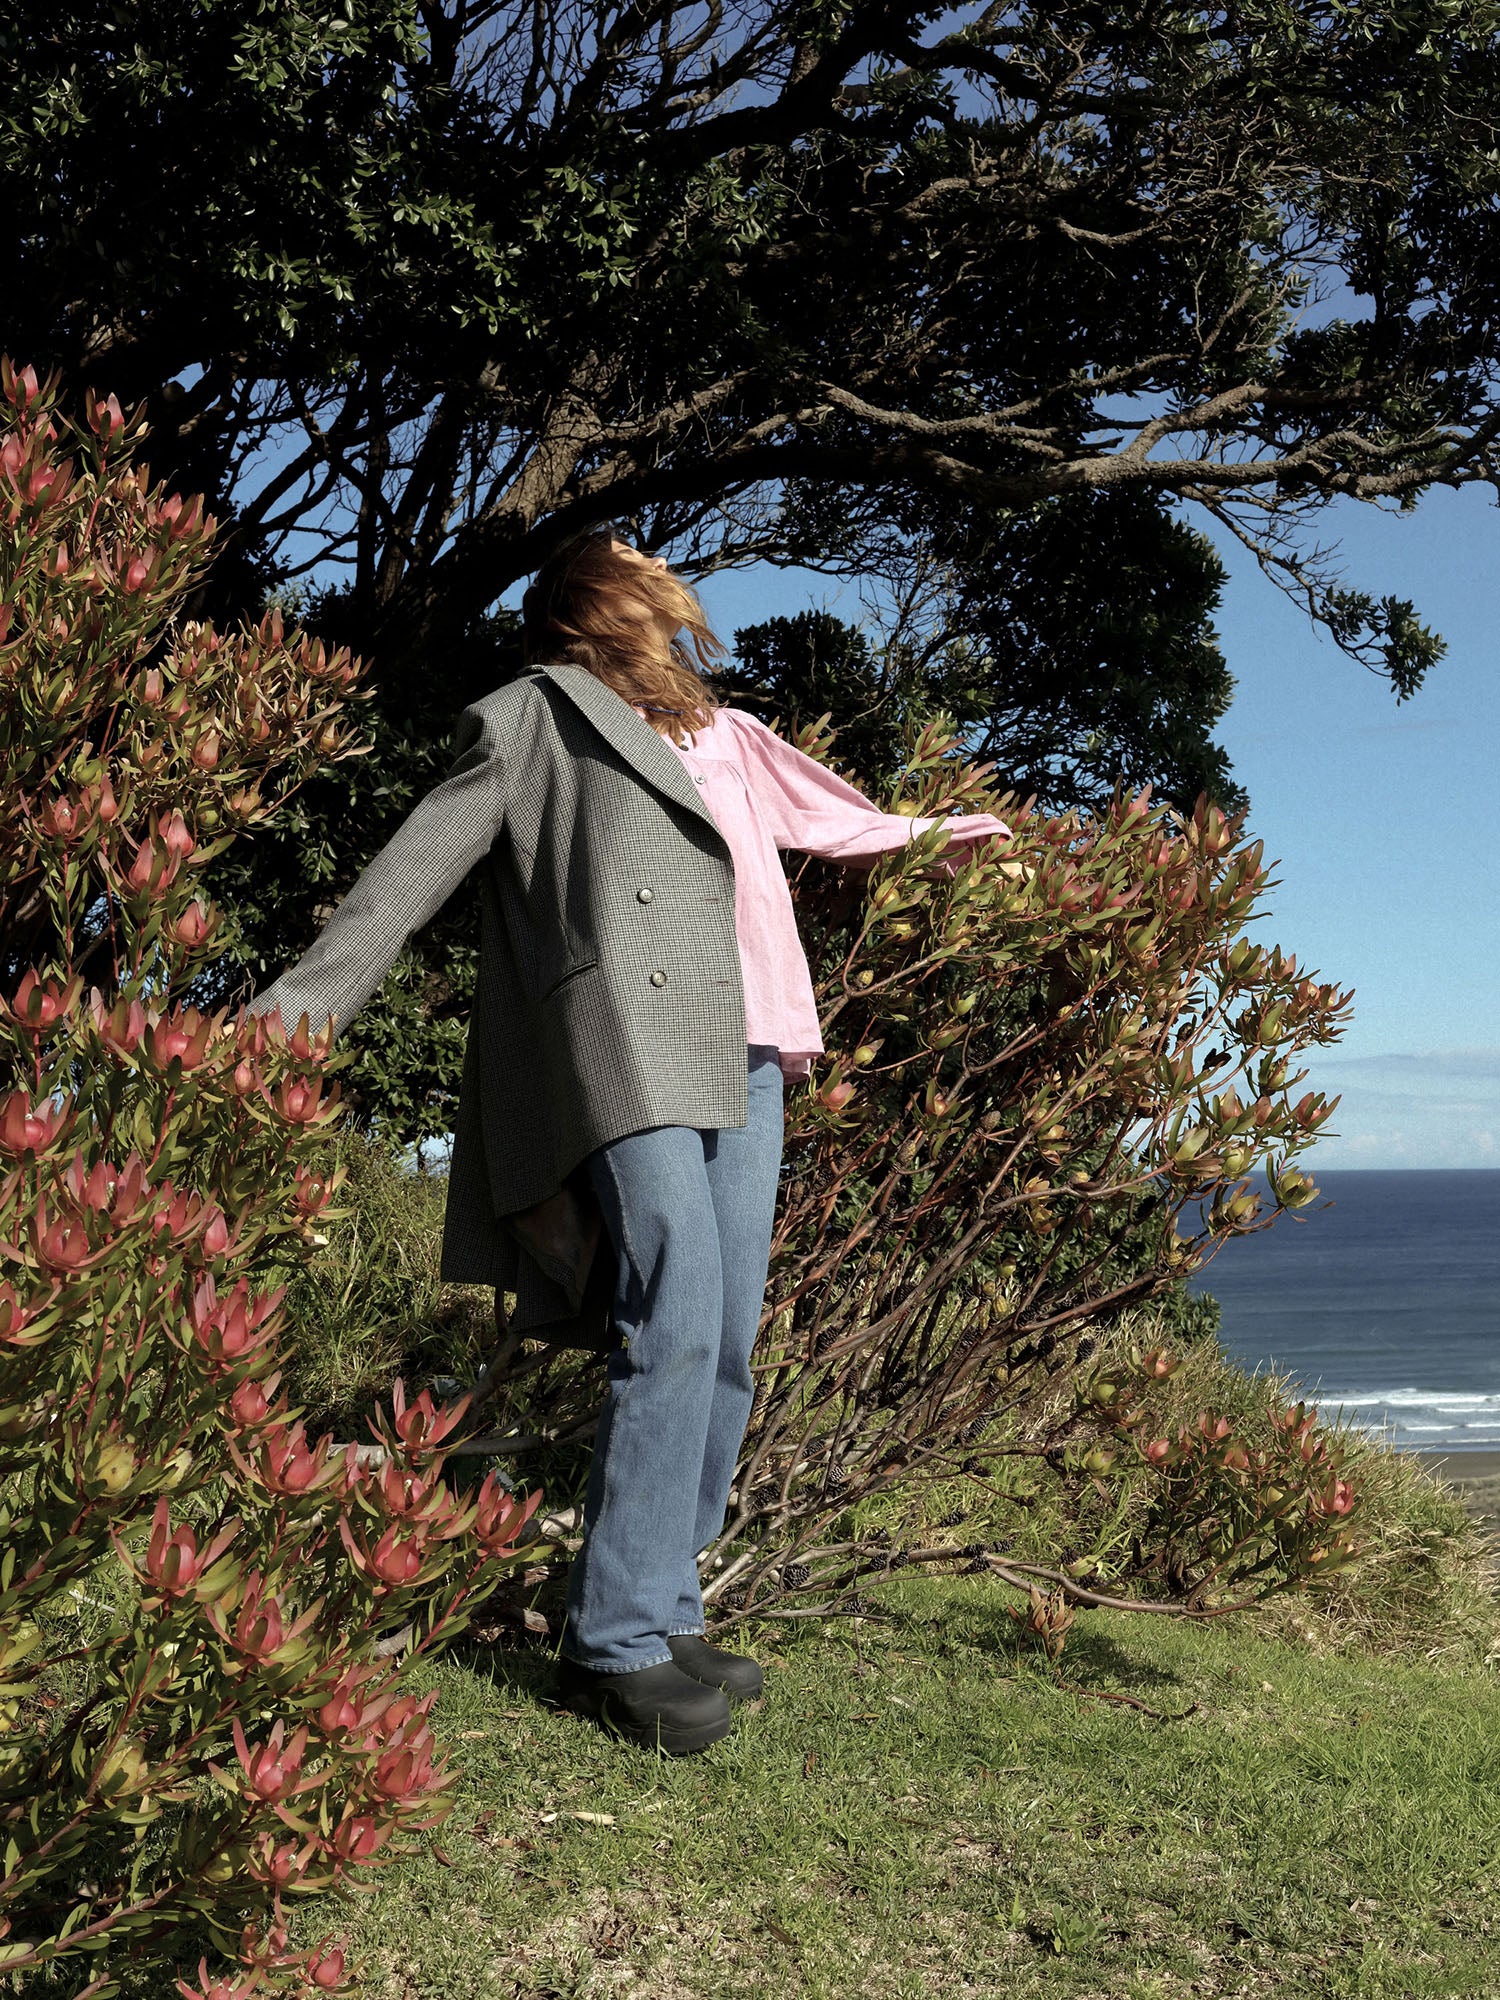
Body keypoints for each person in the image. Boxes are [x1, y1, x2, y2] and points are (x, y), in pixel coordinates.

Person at [245, 530, 1009, 1756]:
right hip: (628, 1030)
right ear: (602, 600)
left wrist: (936, 832)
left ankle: (667, 1597)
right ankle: (609, 1639)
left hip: (756, 1040)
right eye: (635, 559)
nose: (660, 565)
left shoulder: (731, 733)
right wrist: (286, 1019)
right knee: (676, 1296)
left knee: (728, 1329)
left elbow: (839, 818)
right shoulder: (530, 720)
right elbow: (404, 880)